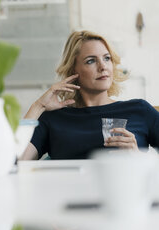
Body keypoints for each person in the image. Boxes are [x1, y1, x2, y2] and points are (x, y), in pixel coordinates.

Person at [21, 30, 159, 160]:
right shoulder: (53, 118)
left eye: (107, 58)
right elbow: (16, 162)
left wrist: (138, 158)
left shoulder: (139, 110)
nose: (103, 66)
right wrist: (39, 105)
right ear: (73, 70)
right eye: (91, 61)